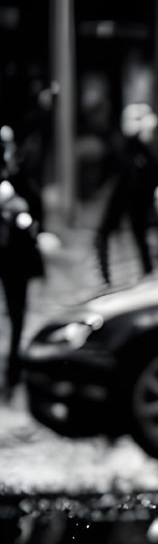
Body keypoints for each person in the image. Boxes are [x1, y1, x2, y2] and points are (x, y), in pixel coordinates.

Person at [95, 102, 158, 284]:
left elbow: (157, 173)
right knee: (106, 234)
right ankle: (107, 277)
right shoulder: (125, 147)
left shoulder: (144, 151)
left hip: (137, 199)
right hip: (123, 195)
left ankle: (147, 272)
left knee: (140, 236)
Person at [0, 125, 45, 394]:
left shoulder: (19, 175)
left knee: (17, 311)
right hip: (8, 253)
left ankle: (13, 365)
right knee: (14, 311)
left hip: (15, 255)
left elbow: (33, 205)